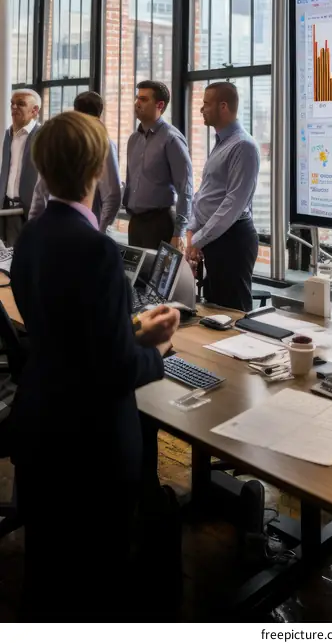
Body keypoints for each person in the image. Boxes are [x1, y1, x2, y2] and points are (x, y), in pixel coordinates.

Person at [10, 111, 179, 622]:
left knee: (49, 574)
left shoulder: (29, 239)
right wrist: (155, 350)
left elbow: (64, 332)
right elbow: (113, 371)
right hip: (91, 444)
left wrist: (126, 331)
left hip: (41, 426)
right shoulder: (99, 251)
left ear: (42, 168)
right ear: (96, 172)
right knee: (96, 580)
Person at [187, 82, 260, 312]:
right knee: (214, 311)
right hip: (215, 239)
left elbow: (232, 205)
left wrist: (197, 240)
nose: (202, 109)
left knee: (232, 315)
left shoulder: (243, 146)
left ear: (224, 107)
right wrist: (193, 230)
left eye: (206, 104)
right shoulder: (221, 143)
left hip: (233, 240)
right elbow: (206, 192)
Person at [28, 90, 122, 232]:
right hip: (71, 226)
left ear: (75, 111)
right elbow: (113, 195)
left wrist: (33, 225)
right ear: (100, 114)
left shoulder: (101, 143)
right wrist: (99, 232)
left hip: (73, 226)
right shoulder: (97, 142)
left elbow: (40, 191)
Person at [124, 80, 193, 251]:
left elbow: (185, 187)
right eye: (136, 98)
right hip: (136, 223)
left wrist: (179, 232)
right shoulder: (134, 139)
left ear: (160, 105)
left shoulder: (172, 139)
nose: (137, 103)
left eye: (143, 99)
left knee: (155, 277)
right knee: (136, 277)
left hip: (160, 223)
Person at [0, 89, 41, 246]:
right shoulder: (8, 134)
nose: (14, 107)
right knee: (10, 260)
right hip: (8, 209)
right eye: (12, 103)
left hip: (31, 211)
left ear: (35, 110)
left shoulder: (43, 135)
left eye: (21, 104)